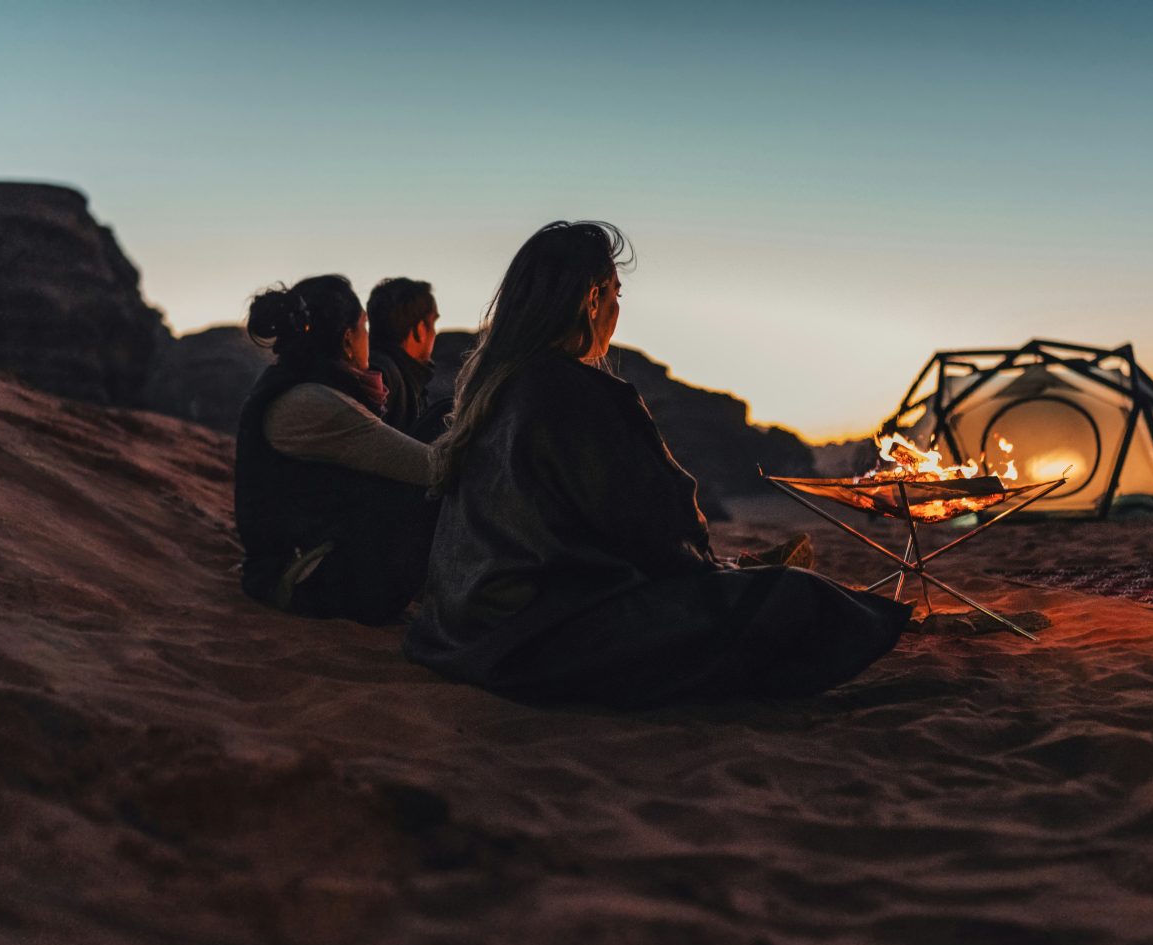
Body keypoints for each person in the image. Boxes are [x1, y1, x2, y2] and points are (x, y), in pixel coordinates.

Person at [406, 222, 910, 707]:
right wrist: (710, 570)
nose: (617, 310)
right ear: (592, 298)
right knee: (794, 597)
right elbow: (656, 530)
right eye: (617, 295)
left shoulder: (492, 390)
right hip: (541, 640)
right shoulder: (581, 394)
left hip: (464, 629)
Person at [235, 274, 438, 626]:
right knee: (435, 482)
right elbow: (434, 468)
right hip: (306, 580)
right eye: (364, 328)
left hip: (309, 563)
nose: (368, 342)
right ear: (347, 339)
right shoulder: (316, 404)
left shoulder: (302, 387)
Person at [365, 276, 448, 439]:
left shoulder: (391, 372)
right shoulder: (382, 376)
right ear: (420, 329)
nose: (434, 334)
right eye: (433, 323)